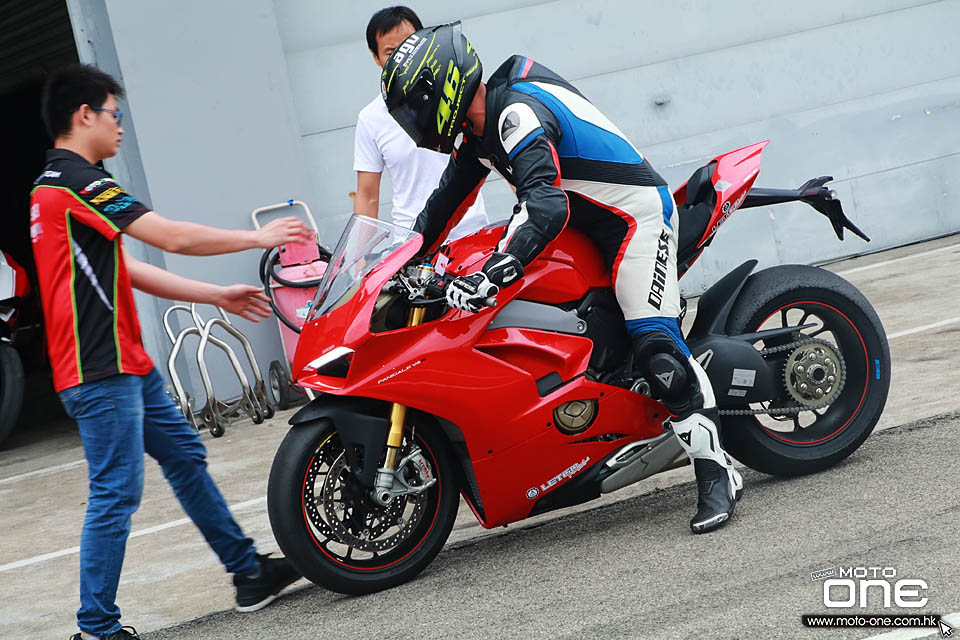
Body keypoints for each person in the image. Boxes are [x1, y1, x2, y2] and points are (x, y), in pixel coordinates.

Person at [381, 24, 744, 534]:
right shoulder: (478, 133)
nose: (409, 121)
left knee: (657, 351)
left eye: (411, 107)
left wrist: (493, 274)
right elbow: (442, 207)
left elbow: (544, 205)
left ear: (437, 91)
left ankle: (717, 472)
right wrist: (393, 264)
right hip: (584, 223)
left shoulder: (515, 117)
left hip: (634, 219)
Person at [31, 64, 307, 640]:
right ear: (85, 115)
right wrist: (258, 238)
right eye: (115, 114)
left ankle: (249, 572)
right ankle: (96, 628)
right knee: (117, 492)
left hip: (126, 363)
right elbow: (172, 238)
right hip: (98, 370)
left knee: (184, 456)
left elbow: (125, 270)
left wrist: (217, 296)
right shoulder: (74, 182)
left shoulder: (51, 190)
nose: (121, 128)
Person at [354, 6, 488, 238]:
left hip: (472, 234)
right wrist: (358, 261)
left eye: (408, 46)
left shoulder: (456, 90)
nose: (401, 59)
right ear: (376, 57)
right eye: (390, 52)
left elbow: (499, 151)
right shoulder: (370, 119)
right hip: (413, 244)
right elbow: (367, 196)